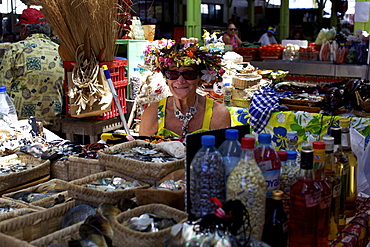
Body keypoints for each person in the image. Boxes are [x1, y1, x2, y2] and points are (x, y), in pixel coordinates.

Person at [139, 42, 231, 138]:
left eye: (188, 74)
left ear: (200, 77)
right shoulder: (152, 114)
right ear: (166, 78)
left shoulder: (217, 114)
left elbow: (223, 151)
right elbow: (142, 150)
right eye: (172, 74)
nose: (180, 81)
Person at [0, 8, 64, 128]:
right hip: (53, 121)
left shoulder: (15, 49)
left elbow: (3, 89)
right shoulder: (59, 51)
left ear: (24, 29)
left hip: (21, 124)